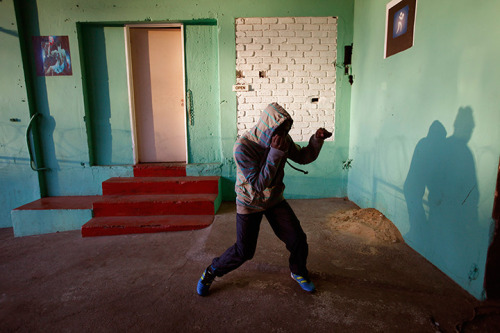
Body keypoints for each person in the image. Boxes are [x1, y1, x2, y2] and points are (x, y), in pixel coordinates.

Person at [197, 102, 332, 296]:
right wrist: (275, 153)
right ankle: (211, 272)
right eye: (280, 130)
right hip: (250, 202)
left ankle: (298, 271)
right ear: (267, 129)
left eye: (287, 130)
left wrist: (316, 140)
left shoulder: (282, 140)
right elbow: (259, 184)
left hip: (274, 200)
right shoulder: (242, 148)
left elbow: (303, 156)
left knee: (298, 239)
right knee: (244, 252)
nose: (283, 136)